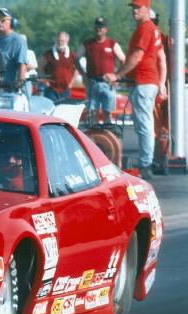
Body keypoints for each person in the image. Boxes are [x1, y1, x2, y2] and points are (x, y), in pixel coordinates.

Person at [104, 0, 167, 180]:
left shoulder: (146, 29)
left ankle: (145, 165)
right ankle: (146, 162)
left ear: (147, 9)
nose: (134, 11)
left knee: (143, 125)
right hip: (147, 82)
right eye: (133, 8)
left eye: (138, 7)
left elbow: (138, 56)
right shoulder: (152, 30)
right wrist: (161, 83)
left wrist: (117, 75)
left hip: (145, 83)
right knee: (144, 125)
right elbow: (161, 59)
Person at [76, 17, 126, 127]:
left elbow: (123, 60)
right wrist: (83, 75)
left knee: (107, 111)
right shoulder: (87, 44)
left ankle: (107, 135)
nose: (99, 29)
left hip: (108, 83)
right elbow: (76, 58)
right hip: (92, 82)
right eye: (97, 26)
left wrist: (117, 77)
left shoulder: (112, 44)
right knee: (93, 111)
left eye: (101, 27)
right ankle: (94, 136)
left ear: (106, 29)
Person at [150, 9, 172, 174]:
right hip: (154, 86)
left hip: (165, 86)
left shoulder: (166, 40)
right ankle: (158, 160)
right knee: (155, 128)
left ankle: (162, 159)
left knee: (164, 126)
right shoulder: (147, 37)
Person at [0, 7, 28, 111]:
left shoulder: (19, 41)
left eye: (3, 20)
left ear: (12, 22)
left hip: (10, 90)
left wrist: (20, 82)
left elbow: (22, 64)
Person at [39, 31, 79, 103]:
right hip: (51, 89)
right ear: (55, 40)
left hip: (66, 89)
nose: (60, 43)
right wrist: (46, 82)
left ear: (67, 40)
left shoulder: (72, 55)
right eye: (58, 41)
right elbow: (41, 68)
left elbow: (77, 69)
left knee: (64, 110)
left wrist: (71, 83)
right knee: (50, 110)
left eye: (62, 41)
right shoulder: (47, 54)